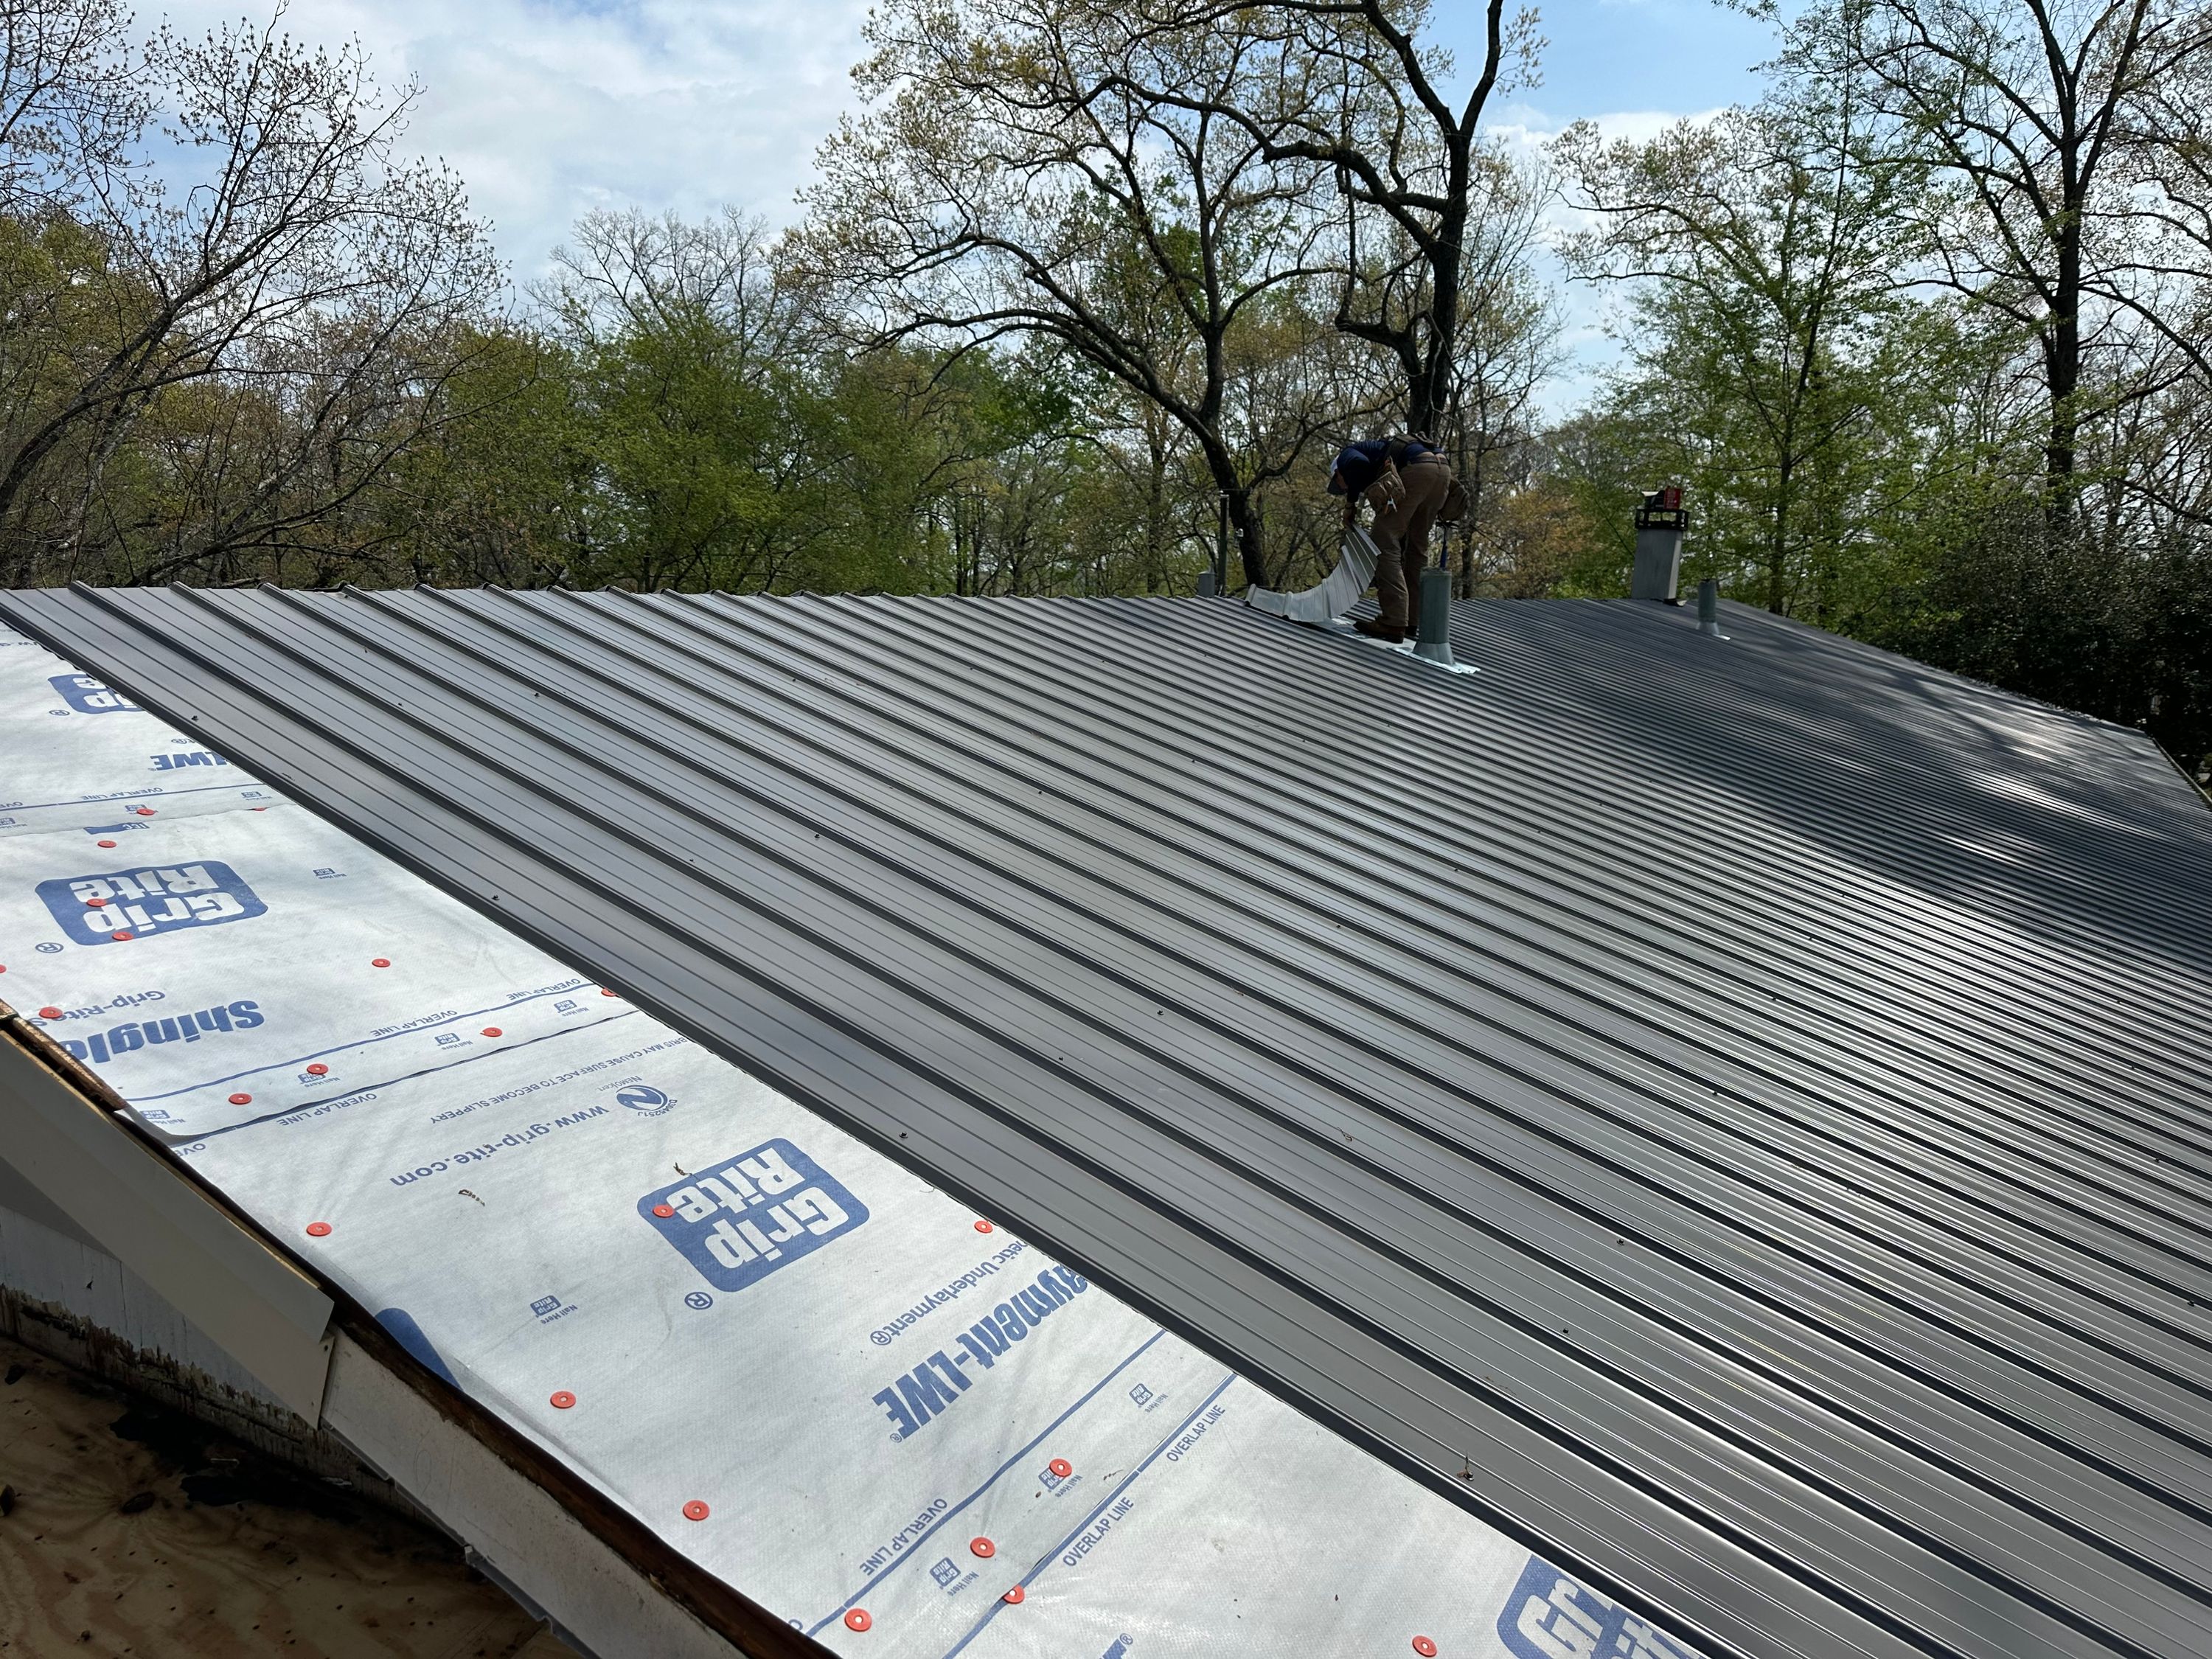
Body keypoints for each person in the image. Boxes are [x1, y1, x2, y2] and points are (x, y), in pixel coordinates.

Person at [1326, 435, 1454, 642]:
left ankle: (1393, 622)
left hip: (1417, 470)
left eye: (1340, 484)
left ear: (1338, 472)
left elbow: (1358, 465)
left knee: (1384, 538)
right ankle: (1412, 621)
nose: (1344, 488)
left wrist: (1351, 505)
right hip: (1442, 471)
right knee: (1417, 547)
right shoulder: (1375, 451)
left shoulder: (1346, 456)